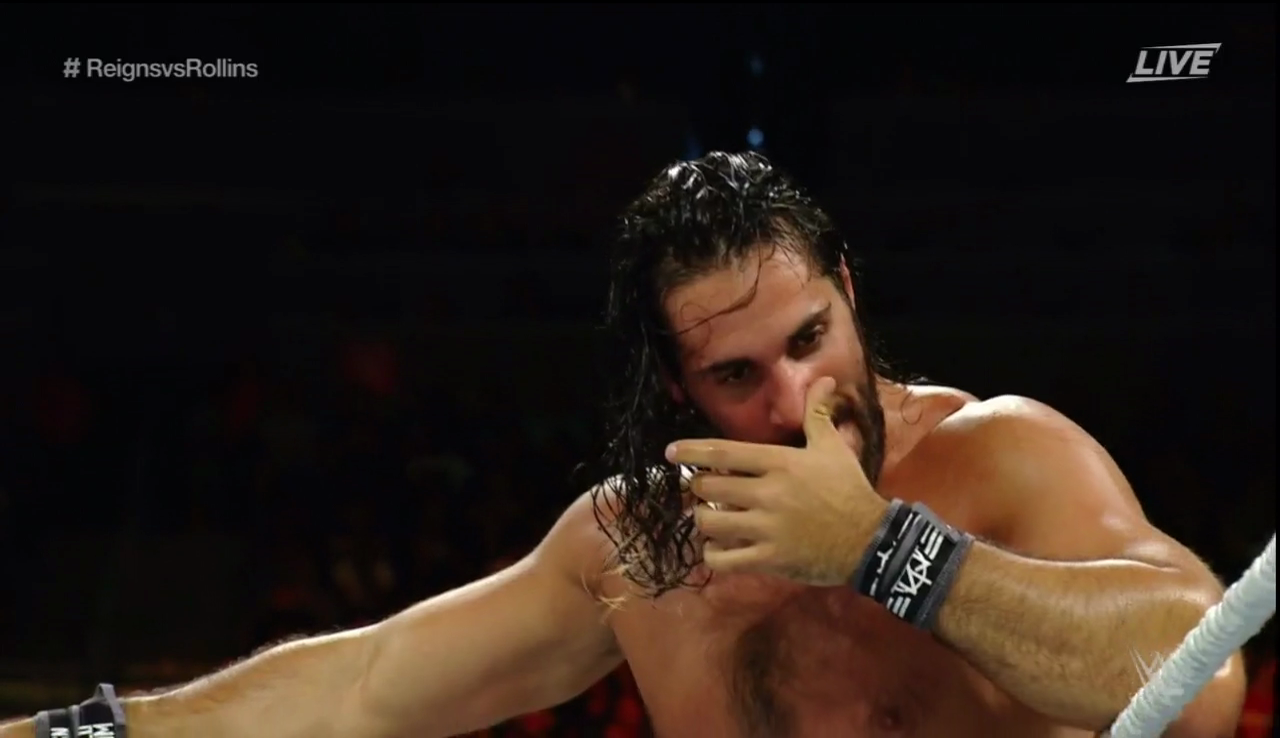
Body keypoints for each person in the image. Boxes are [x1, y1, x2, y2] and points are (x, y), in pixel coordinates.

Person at [4, 152, 1248, 738]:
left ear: (849, 293)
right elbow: (365, 685)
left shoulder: (1000, 457)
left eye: (810, 338)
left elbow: (1201, 679)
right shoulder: (639, 546)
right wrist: (87, 735)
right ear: (676, 384)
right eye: (736, 375)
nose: (795, 399)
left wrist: (883, 550)